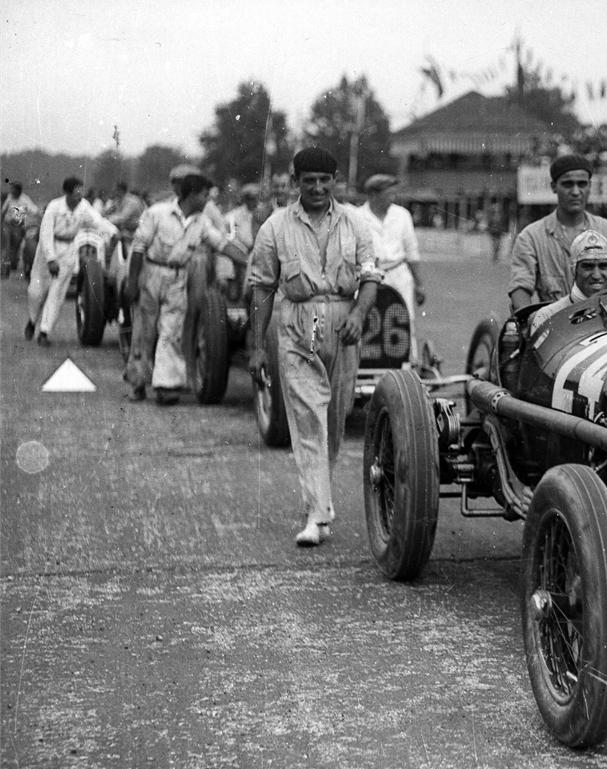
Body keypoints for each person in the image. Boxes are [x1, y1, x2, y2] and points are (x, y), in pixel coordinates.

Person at [246, 147, 382, 548]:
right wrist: (256, 347)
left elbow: (371, 275)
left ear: (335, 181)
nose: (318, 188)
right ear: (296, 183)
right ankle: (315, 514)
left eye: (325, 180)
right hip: (296, 325)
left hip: (343, 325)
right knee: (306, 419)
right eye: (309, 181)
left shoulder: (355, 222)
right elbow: (261, 289)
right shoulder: (275, 227)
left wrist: (359, 314)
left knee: (335, 420)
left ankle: (320, 499)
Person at [122, 172, 249, 404]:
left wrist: (249, 260)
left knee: (171, 331)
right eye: (204, 196)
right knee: (144, 332)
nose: (208, 201)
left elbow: (221, 244)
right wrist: (132, 284)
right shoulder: (157, 213)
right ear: (192, 194)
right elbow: (139, 248)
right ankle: (137, 383)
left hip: (178, 278)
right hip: (150, 273)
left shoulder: (201, 222)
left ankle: (165, 386)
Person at [508, 153, 607, 311]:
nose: (575, 192)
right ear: (554, 186)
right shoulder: (531, 237)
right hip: (555, 324)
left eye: (582, 184)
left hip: (600, 323)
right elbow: (521, 286)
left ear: (589, 186)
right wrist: (528, 318)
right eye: (568, 184)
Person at [25, 176, 118, 345]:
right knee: (36, 291)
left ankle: (44, 332)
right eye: (76, 193)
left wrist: (113, 231)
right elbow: (45, 234)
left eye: (81, 192)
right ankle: (32, 320)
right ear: (67, 193)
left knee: (57, 293)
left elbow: (98, 221)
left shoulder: (84, 207)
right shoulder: (54, 207)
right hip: (48, 249)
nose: (80, 196)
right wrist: (51, 259)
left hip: (68, 249)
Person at [359, 174, 427, 315]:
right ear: (373, 194)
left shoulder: (402, 215)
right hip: (369, 278)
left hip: (399, 276)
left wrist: (419, 284)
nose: (393, 198)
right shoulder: (357, 216)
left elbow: (411, 251)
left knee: (404, 322)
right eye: (389, 194)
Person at [529, 229, 607, 331]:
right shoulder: (547, 316)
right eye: (588, 266)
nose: (596, 275)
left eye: (603, 266)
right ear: (574, 270)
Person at [2, 181, 39, 277]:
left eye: (14, 190)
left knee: (15, 247)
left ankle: (13, 263)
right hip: (7, 225)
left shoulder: (25, 200)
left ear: (19, 191)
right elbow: (3, 210)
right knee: (7, 246)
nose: (12, 192)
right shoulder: (10, 197)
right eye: (11, 189)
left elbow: (35, 210)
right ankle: (5, 270)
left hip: (18, 227)